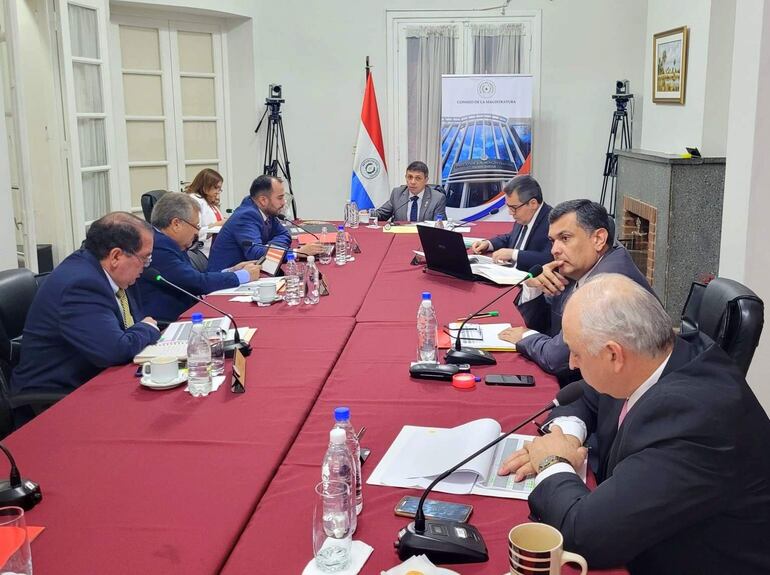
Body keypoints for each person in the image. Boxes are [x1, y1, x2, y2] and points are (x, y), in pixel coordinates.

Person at [498, 274, 770, 575]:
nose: (572, 364)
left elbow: (586, 537)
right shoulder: (653, 357)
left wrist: (552, 460)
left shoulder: (694, 420)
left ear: (614, 354)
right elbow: (586, 398)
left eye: (576, 352)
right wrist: (567, 436)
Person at [498, 199, 651, 385]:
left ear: (598, 239)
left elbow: (556, 359)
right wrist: (534, 286)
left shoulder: (607, 285)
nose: (554, 250)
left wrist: (525, 337)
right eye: (552, 241)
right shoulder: (582, 266)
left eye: (565, 238)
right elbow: (545, 325)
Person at [12, 212, 161, 397]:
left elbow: (127, 331)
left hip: (93, 378)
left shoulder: (104, 272)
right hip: (57, 398)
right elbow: (115, 350)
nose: (145, 266)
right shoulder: (81, 285)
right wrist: (147, 328)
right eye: (144, 258)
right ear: (115, 256)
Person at [137, 192, 261, 322]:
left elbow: (193, 278)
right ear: (176, 224)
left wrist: (232, 271)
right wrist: (242, 275)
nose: (197, 232)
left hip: (188, 313)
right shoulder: (156, 245)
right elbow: (196, 283)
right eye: (196, 226)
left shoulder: (168, 241)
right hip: (170, 323)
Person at [207, 175, 323, 271]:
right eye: (280, 198)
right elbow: (256, 253)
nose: (283, 203)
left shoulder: (267, 210)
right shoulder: (247, 216)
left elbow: (284, 235)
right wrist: (297, 253)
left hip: (248, 273)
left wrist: (269, 247)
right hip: (224, 281)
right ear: (263, 200)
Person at [470, 174, 553, 271]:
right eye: (509, 207)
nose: (510, 212)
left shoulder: (553, 221)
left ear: (533, 204)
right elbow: (511, 237)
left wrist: (513, 254)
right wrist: (488, 244)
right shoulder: (523, 214)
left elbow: (549, 258)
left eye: (513, 208)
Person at [375, 161, 447, 222]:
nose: (412, 182)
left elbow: (439, 225)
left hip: (424, 236)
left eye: (418, 178)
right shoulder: (397, 193)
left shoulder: (438, 198)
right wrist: (366, 214)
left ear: (426, 180)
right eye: (410, 177)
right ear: (406, 177)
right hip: (401, 236)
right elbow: (381, 214)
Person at [185, 168, 225, 257]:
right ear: (205, 186)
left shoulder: (208, 200)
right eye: (215, 188)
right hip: (202, 252)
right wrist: (221, 223)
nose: (218, 192)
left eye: (220, 189)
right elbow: (194, 231)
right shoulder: (194, 200)